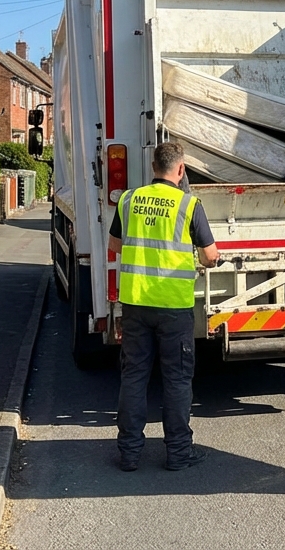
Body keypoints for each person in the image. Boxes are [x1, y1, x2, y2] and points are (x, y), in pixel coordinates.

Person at [108, 141, 220, 472]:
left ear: (153, 168)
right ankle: (178, 453)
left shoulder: (129, 200)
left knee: (134, 376)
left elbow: (115, 246)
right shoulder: (189, 204)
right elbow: (210, 255)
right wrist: (204, 259)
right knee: (176, 380)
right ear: (181, 169)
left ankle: (129, 453)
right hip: (174, 308)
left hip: (136, 304)